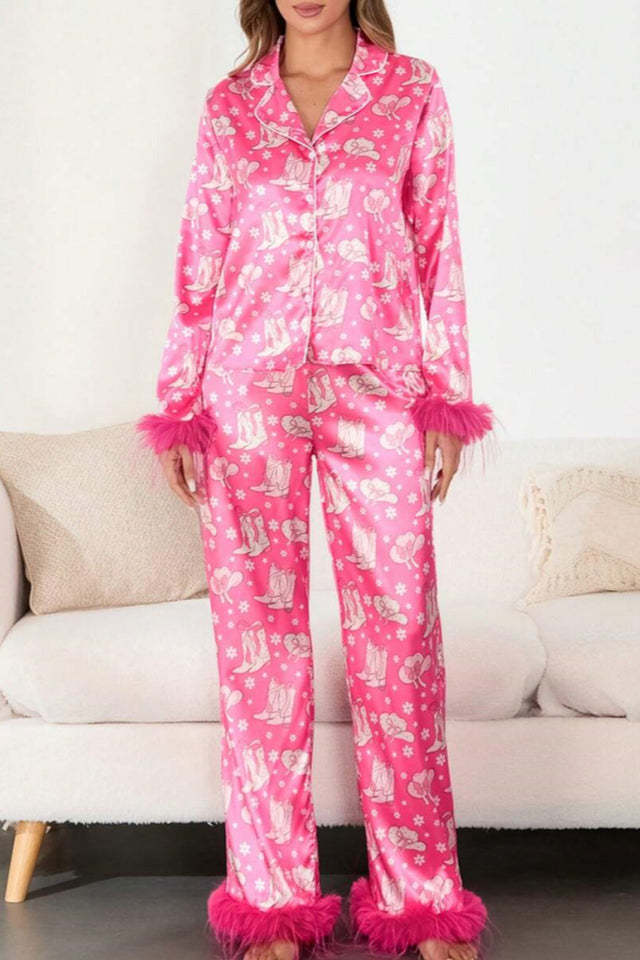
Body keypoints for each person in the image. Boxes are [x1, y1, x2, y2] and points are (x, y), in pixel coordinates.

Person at [136, 2, 496, 959]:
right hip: (245, 393)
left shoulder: (409, 92)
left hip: (381, 391)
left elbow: (439, 249)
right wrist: (180, 399)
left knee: (400, 639)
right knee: (259, 649)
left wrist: (447, 396)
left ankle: (422, 897)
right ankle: (273, 902)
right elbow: (199, 263)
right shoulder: (231, 106)